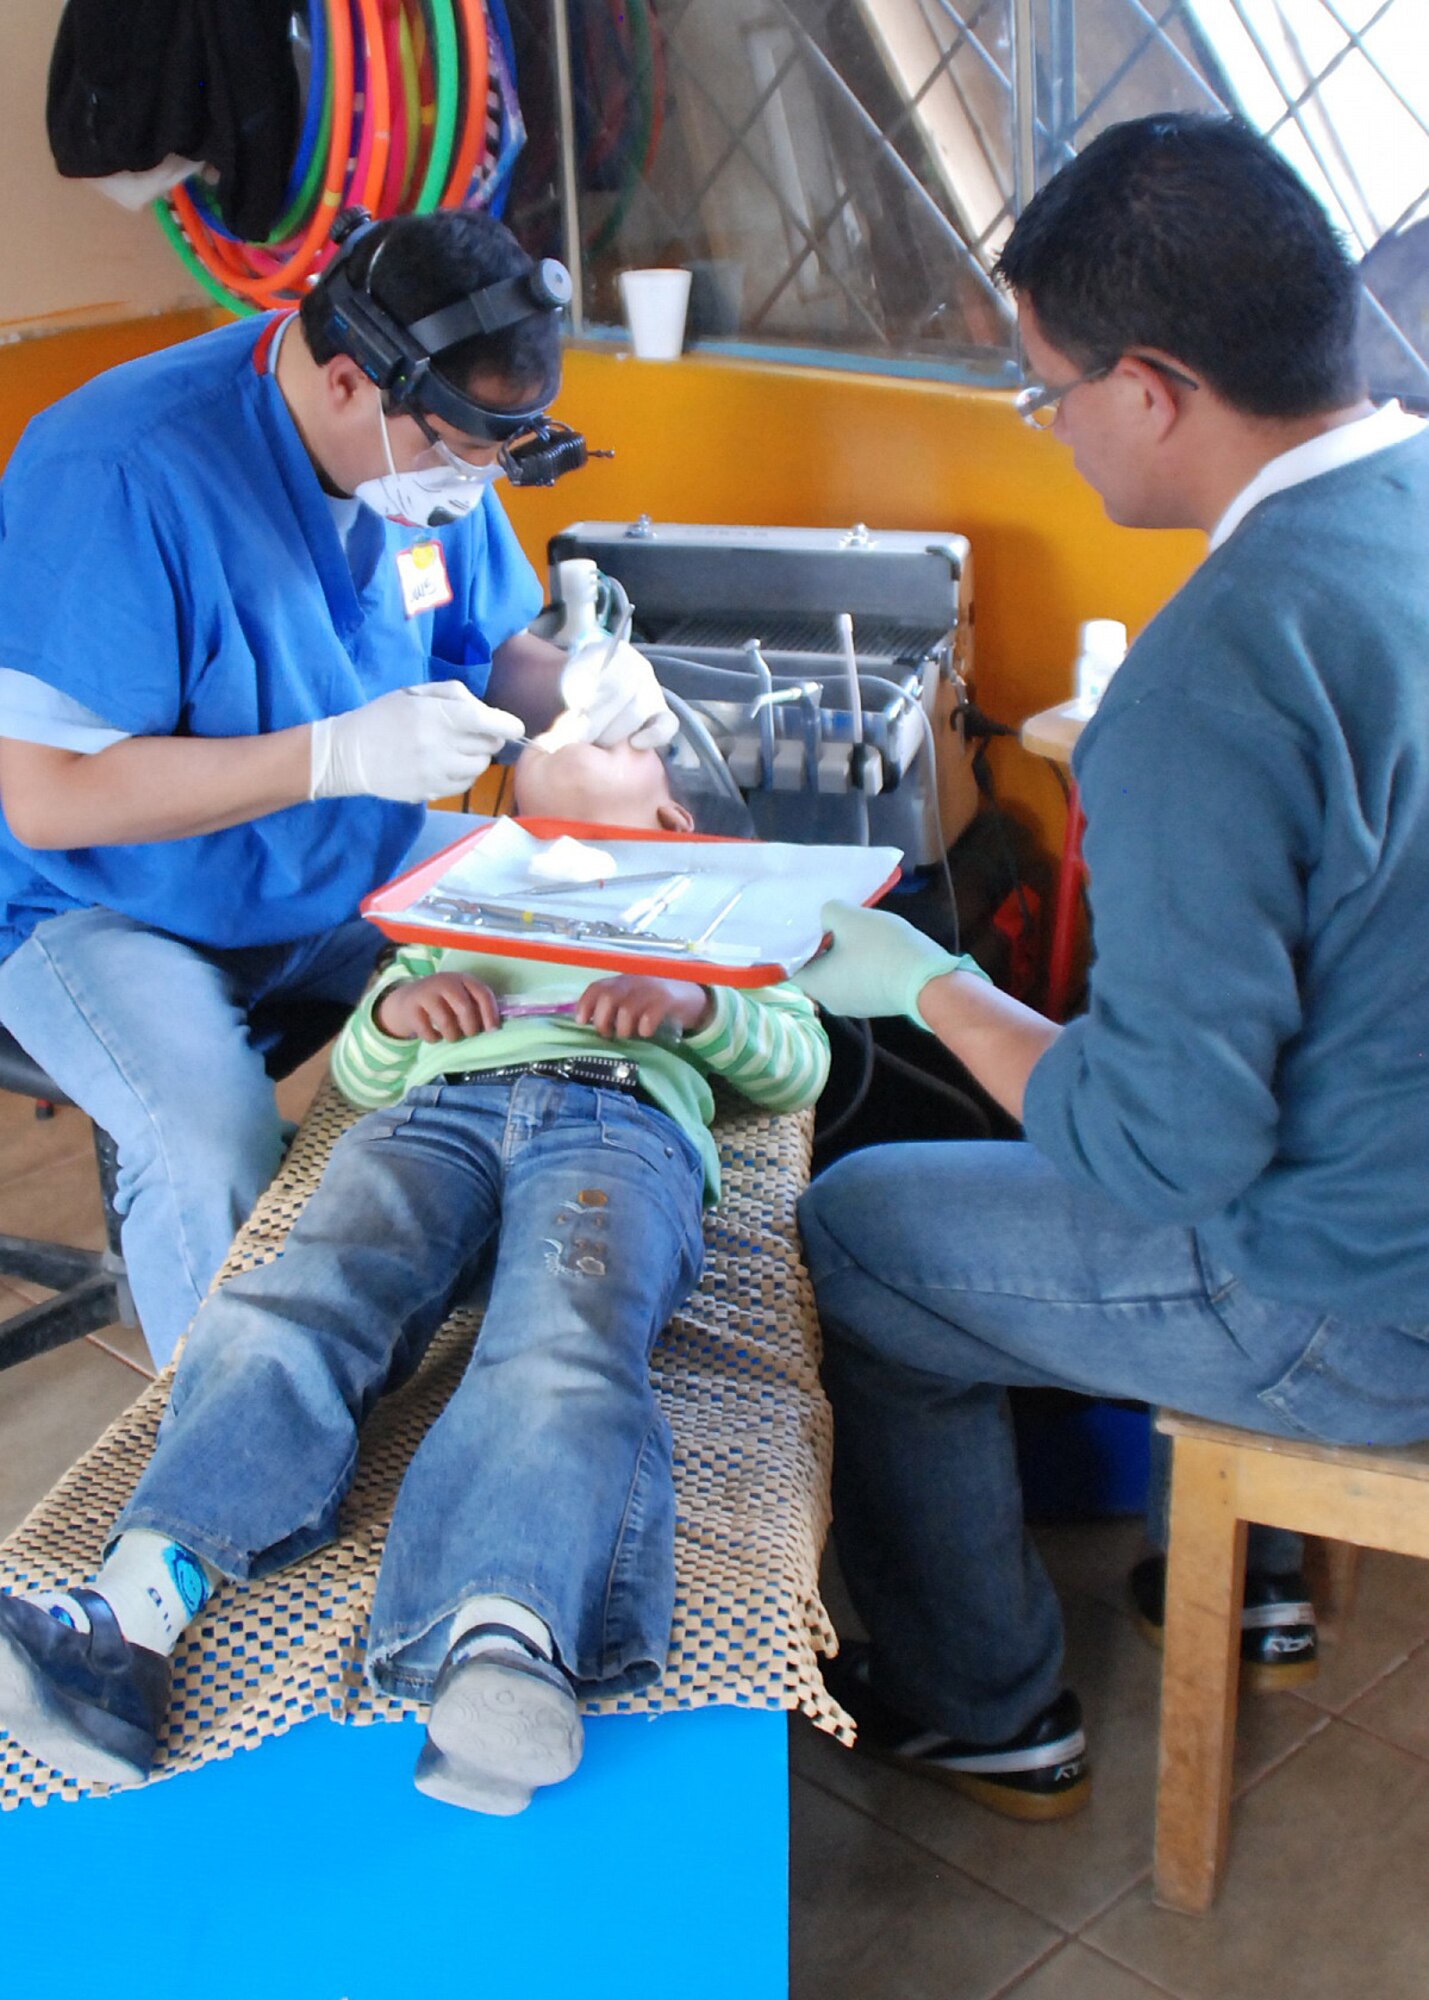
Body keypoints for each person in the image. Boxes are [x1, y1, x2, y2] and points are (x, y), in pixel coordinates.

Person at [791, 113, 1429, 1820]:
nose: (1050, 431)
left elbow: (1167, 1153)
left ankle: (977, 1701)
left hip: (1356, 1309)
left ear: (1149, 387)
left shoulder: (1214, 674)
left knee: (846, 1230)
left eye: (1041, 392)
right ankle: (1258, 1573)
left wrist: (923, 985)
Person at [0, 737, 829, 1813]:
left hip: (613, 1123)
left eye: (613, 745)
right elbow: (362, 1066)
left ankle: (505, 1635)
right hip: (436, 1123)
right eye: (528, 829)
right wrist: (398, 1017)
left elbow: (796, 1058)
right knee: (297, 1301)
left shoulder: (712, 910)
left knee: (559, 1340)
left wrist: (695, 1006)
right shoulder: (474, 902)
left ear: (673, 823)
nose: (574, 747)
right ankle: (126, 1616)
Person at [0, 205, 673, 1368]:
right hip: (106, 901)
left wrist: (580, 688)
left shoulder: (430, 441)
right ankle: (223, 1474)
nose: (473, 486)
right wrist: (330, 755)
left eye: (498, 455)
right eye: (459, 454)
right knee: (210, 1146)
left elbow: (486, 648)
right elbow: (50, 799)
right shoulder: (119, 468)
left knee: (596, 948)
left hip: (338, 859)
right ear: (351, 382)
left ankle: (502, 1328)